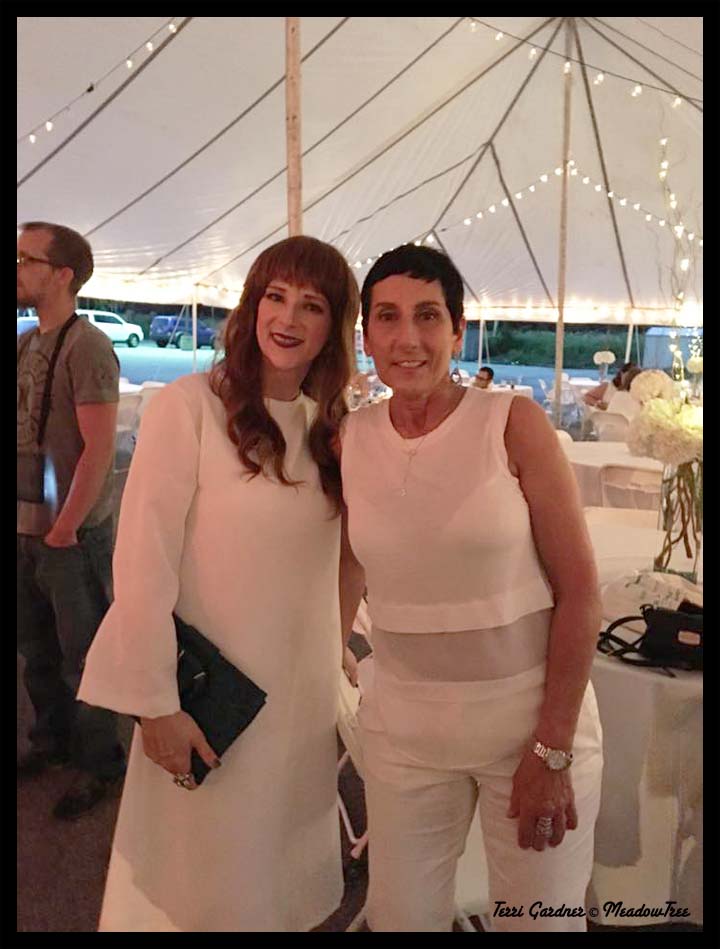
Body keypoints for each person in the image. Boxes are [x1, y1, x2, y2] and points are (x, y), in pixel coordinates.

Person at [77, 236, 360, 932]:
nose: (287, 317)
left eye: (311, 304)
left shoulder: (333, 430)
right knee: (199, 881)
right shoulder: (191, 408)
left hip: (299, 700)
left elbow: (347, 556)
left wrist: (336, 648)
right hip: (211, 695)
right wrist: (154, 704)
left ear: (333, 325)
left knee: (277, 882)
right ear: (252, 305)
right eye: (275, 296)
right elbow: (142, 562)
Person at [339, 245, 603, 933]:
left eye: (428, 316)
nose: (407, 337)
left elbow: (580, 591)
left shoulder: (511, 423)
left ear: (458, 330)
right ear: (366, 335)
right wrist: (327, 657)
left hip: (529, 728)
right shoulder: (349, 439)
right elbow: (346, 566)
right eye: (387, 317)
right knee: (401, 921)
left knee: (539, 923)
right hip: (405, 734)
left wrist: (552, 747)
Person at [17, 221, 125, 820]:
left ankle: (100, 763)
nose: (16, 269)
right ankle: (51, 742)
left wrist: (66, 528)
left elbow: (99, 448)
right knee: (36, 648)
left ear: (62, 274)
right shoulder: (27, 342)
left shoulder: (87, 347)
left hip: (70, 535)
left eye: (25, 259)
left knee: (85, 655)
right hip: (27, 525)